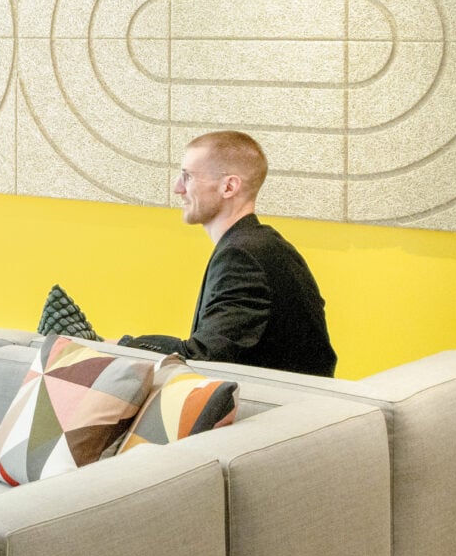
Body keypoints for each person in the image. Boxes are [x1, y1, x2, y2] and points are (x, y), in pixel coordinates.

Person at [121, 130, 337, 377]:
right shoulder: (261, 245)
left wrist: (123, 346)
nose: (177, 188)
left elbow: (203, 357)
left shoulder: (242, 257)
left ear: (229, 187)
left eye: (187, 176)